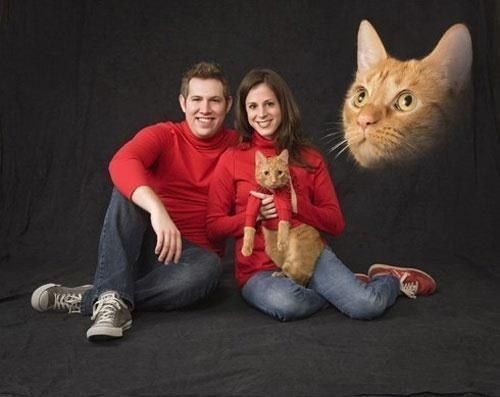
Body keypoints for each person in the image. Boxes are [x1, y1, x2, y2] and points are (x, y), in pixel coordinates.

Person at [206, 68, 437, 322]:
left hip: (310, 257)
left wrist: (297, 205)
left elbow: (335, 224)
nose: (261, 114)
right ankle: (345, 289)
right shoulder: (232, 159)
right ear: (244, 111)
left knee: (366, 306)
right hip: (258, 271)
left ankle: (388, 280)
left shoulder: (309, 157)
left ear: (283, 106)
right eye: (253, 106)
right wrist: (254, 216)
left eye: (269, 104)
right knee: (288, 304)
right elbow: (214, 226)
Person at [31, 62, 238, 340]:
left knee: (210, 269)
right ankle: (110, 293)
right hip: (144, 248)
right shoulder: (165, 135)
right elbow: (122, 161)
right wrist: (157, 210)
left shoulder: (239, 146)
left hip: (190, 264)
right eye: (197, 99)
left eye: (214, 100)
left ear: (228, 104)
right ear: (182, 102)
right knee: (128, 188)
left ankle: (105, 295)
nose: (205, 109)